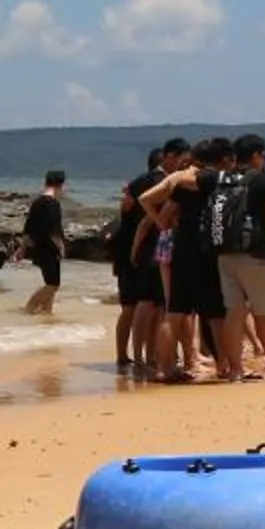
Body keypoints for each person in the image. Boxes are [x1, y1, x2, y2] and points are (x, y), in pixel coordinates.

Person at [141, 139, 235, 382]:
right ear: (221, 159)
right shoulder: (215, 180)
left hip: (182, 250)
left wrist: (163, 224)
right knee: (215, 314)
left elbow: (155, 208)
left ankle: (164, 368)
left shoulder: (185, 185)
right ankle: (225, 365)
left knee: (174, 312)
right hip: (206, 252)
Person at [213, 133, 265, 382]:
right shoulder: (262, 180)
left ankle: (235, 369)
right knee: (264, 314)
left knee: (233, 313)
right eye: (263, 154)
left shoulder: (223, 178)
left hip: (224, 253)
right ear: (256, 155)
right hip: (253, 253)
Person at [109, 142, 182, 372]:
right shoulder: (162, 184)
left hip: (130, 251)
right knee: (150, 304)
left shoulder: (136, 183)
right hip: (145, 251)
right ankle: (145, 356)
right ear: (166, 160)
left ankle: (128, 356)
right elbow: (145, 222)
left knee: (133, 306)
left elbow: (126, 213)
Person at [18, 169, 69, 315]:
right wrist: (61, 248)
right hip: (49, 248)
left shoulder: (37, 202)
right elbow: (54, 231)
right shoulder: (52, 204)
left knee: (50, 283)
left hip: (38, 248)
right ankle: (28, 309)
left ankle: (47, 314)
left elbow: (27, 229)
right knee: (53, 285)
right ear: (61, 184)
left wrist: (22, 249)